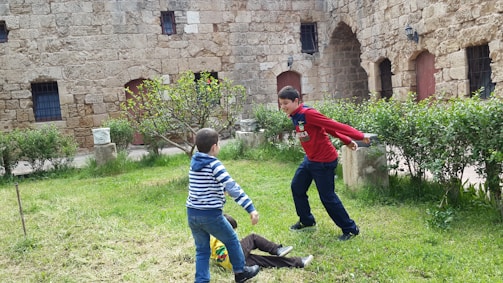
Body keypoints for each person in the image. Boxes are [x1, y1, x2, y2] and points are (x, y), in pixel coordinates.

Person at [277, 86, 370, 241]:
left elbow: (332, 125)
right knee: (297, 187)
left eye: (286, 103)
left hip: (324, 161)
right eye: (281, 103)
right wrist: (346, 141)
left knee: (327, 197)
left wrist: (358, 136)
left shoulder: (308, 113)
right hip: (311, 159)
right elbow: (324, 128)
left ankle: (350, 229)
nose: (283, 107)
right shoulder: (294, 114)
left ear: (296, 101)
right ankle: (307, 221)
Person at [186, 128, 260, 283]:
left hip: (192, 213)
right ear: (214, 147)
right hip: (210, 215)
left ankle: (201, 280)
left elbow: (205, 185)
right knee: (232, 240)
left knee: (202, 250)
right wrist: (250, 208)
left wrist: (220, 190)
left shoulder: (194, 163)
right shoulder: (215, 165)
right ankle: (241, 272)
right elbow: (233, 188)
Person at [210, 214, 314, 270]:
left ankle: (299, 262)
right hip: (234, 258)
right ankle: (277, 249)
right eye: (233, 230)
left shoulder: (211, 240)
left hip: (235, 266)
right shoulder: (219, 233)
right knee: (253, 238)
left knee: (265, 261)